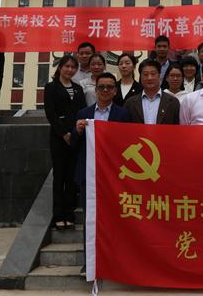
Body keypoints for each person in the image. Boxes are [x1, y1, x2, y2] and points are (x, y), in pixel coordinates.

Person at [74, 72, 130, 276]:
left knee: (116, 220)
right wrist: (78, 131)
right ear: (95, 90)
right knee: (90, 220)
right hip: (89, 176)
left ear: (115, 91)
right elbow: (74, 145)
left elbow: (127, 144)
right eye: (101, 87)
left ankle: (115, 260)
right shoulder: (83, 113)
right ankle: (89, 262)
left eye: (109, 87)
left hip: (114, 177)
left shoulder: (123, 114)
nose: (105, 90)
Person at [44, 55, 87, 231]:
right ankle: (58, 215)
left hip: (76, 136)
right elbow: (50, 113)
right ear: (60, 67)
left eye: (73, 67)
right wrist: (64, 133)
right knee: (59, 176)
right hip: (58, 137)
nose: (70, 70)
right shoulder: (51, 87)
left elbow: (82, 111)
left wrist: (75, 133)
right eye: (67, 66)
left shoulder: (78, 88)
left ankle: (69, 215)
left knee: (71, 177)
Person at [125, 59, 180, 124]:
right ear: (140, 77)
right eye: (145, 74)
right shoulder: (130, 103)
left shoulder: (173, 102)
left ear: (159, 76)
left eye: (153, 74)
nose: (149, 78)